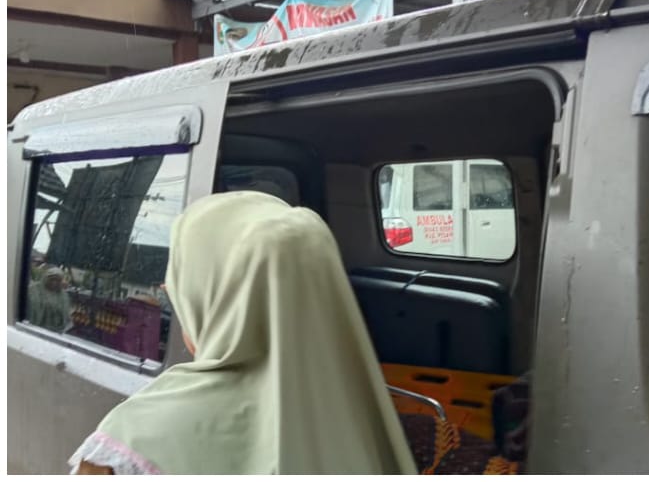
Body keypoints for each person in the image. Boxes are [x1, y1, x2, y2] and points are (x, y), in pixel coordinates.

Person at [68, 191, 417, 475]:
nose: (170, 291)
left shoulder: (133, 439)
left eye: (180, 280)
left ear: (212, 294)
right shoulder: (374, 413)